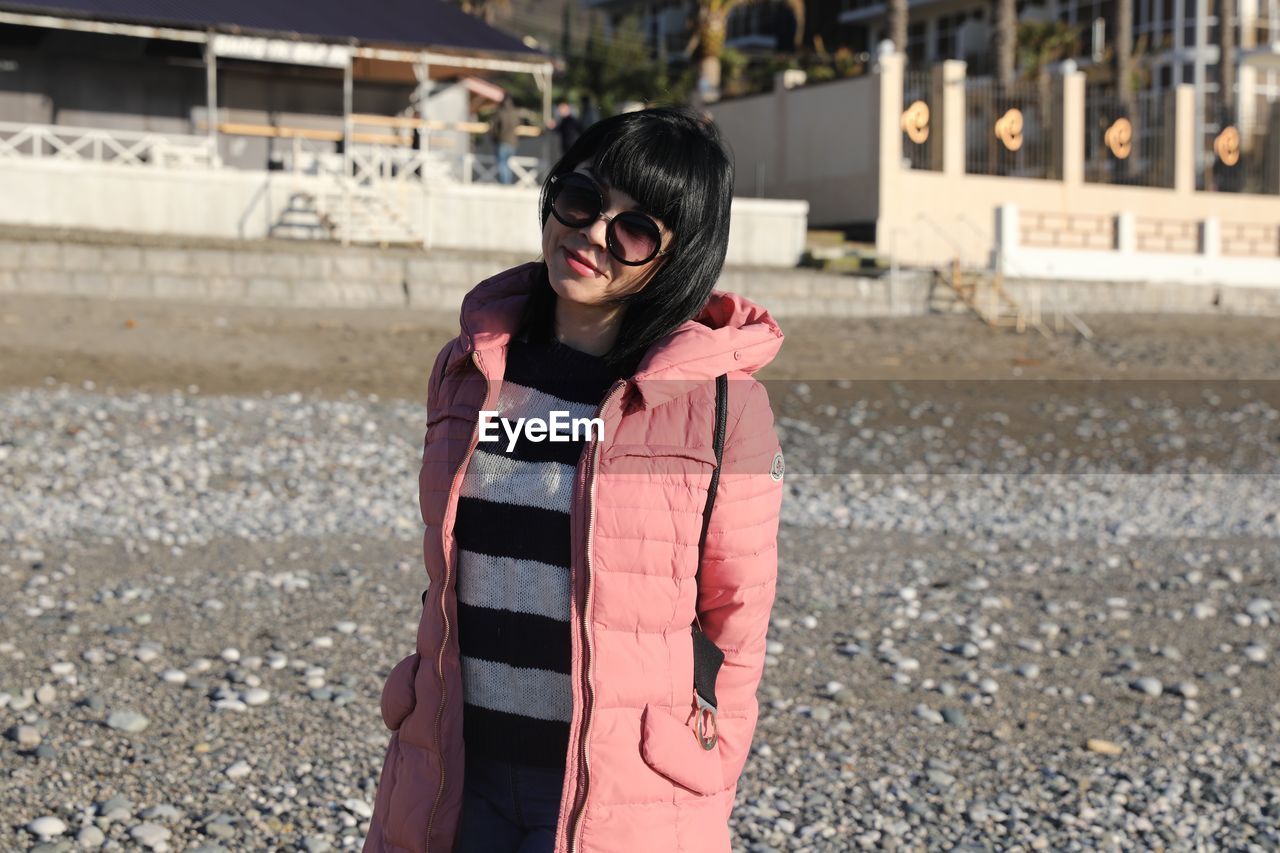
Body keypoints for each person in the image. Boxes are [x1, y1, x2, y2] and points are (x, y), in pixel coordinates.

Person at [363, 106, 785, 853]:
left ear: (675, 257)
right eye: (584, 199)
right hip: (459, 766)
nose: (593, 234)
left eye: (635, 228)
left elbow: (737, 616)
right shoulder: (470, 369)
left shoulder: (726, 406)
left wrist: (710, 769)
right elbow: (447, 569)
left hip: (621, 789)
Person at [490, 93, 521, 184]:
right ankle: (507, 182)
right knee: (507, 163)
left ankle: (505, 183)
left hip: (502, 141)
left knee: (502, 163)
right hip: (513, 142)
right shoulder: (515, 113)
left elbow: (494, 128)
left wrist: (494, 138)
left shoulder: (500, 112)